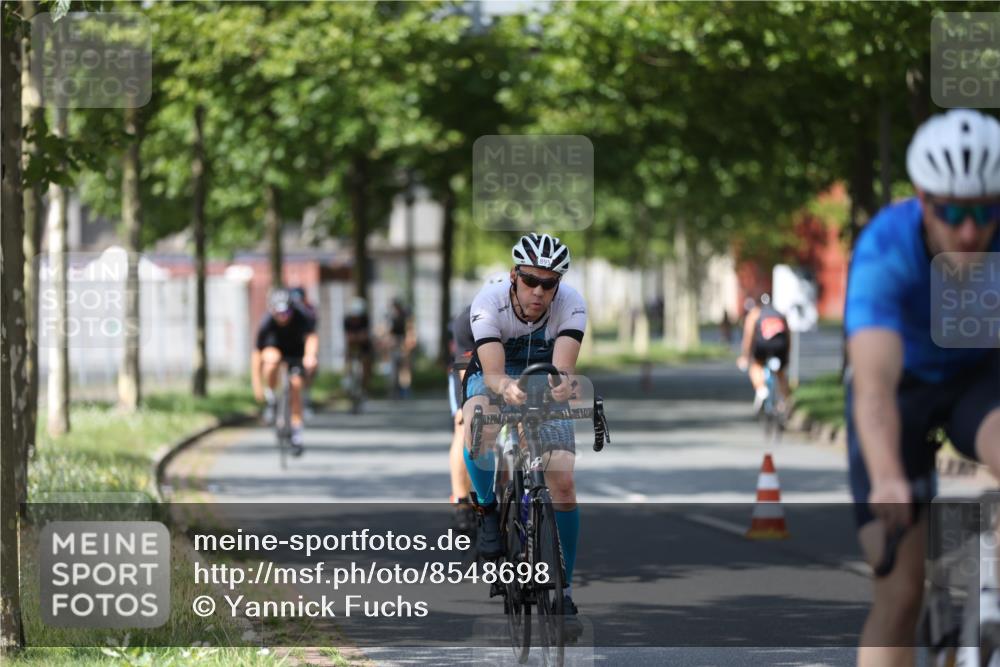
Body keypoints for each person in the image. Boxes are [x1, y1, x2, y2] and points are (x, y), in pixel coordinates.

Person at [845, 108, 1000, 667]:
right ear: (922, 199)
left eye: (984, 211)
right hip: (900, 391)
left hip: (979, 379)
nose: (968, 229)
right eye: (952, 211)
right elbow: (875, 389)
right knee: (899, 592)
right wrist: (887, 477)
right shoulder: (886, 249)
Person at [461, 232, 587, 630]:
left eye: (549, 284)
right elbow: (495, 375)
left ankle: (563, 589)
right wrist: (503, 389)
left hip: (540, 376)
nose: (538, 291)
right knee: (478, 425)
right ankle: (486, 507)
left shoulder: (571, 304)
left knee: (563, 481)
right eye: (531, 280)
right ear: (514, 275)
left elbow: (563, 368)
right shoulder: (489, 301)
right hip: (493, 374)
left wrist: (565, 384)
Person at [252, 288, 319, 456]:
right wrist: (258, 386)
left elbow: (311, 337)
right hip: (274, 350)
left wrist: (310, 356)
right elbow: (257, 354)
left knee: (296, 387)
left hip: (296, 354)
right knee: (271, 361)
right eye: (279, 313)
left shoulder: (302, 316)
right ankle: (272, 396)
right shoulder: (266, 322)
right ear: (272, 310)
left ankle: (297, 435)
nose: (283, 317)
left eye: (287, 312)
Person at [737, 293, 791, 412]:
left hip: (762, 346)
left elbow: (748, 335)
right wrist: (787, 354)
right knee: (781, 373)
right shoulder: (780, 314)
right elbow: (788, 335)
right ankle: (784, 402)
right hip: (780, 347)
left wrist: (745, 355)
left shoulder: (755, 313)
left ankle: (761, 390)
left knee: (755, 365)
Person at [447, 304, 476, 531]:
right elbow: (465, 373)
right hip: (467, 370)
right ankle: (461, 500)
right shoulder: (467, 319)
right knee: (463, 423)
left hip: (507, 369)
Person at [387, 297, 416, 399]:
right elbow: (388, 332)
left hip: (404, 342)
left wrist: (408, 343)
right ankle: (394, 390)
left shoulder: (405, 315)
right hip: (394, 343)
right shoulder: (391, 316)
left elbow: (409, 329)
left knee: (405, 368)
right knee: (394, 368)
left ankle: (406, 389)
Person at [343, 296, 372, 393]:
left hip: (364, 345)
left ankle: (364, 387)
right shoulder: (346, 320)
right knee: (348, 355)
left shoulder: (365, 319)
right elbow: (348, 337)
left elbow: (365, 336)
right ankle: (348, 375)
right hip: (352, 344)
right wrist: (357, 338)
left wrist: (358, 337)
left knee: (366, 361)